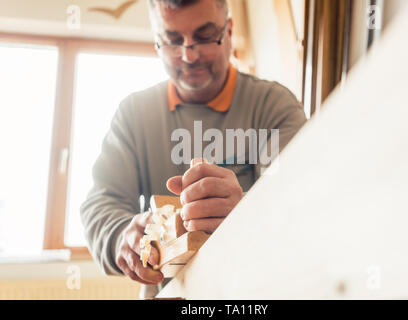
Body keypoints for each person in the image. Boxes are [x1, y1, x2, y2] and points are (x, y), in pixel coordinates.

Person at [80, 0, 307, 299]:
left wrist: (243, 211)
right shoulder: (133, 114)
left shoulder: (274, 105)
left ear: (228, 30)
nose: (188, 55)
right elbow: (101, 204)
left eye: (203, 35)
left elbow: (301, 202)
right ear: (157, 41)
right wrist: (122, 236)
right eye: (173, 40)